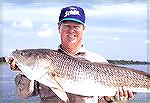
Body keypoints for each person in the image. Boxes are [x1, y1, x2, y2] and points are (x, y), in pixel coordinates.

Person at [8, 5, 136, 103]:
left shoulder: (97, 60)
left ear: (83, 29)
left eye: (76, 26)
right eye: (67, 25)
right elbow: (23, 95)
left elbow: (103, 100)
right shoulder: (36, 69)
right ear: (59, 28)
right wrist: (23, 71)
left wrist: (116, 98)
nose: (71, 30)